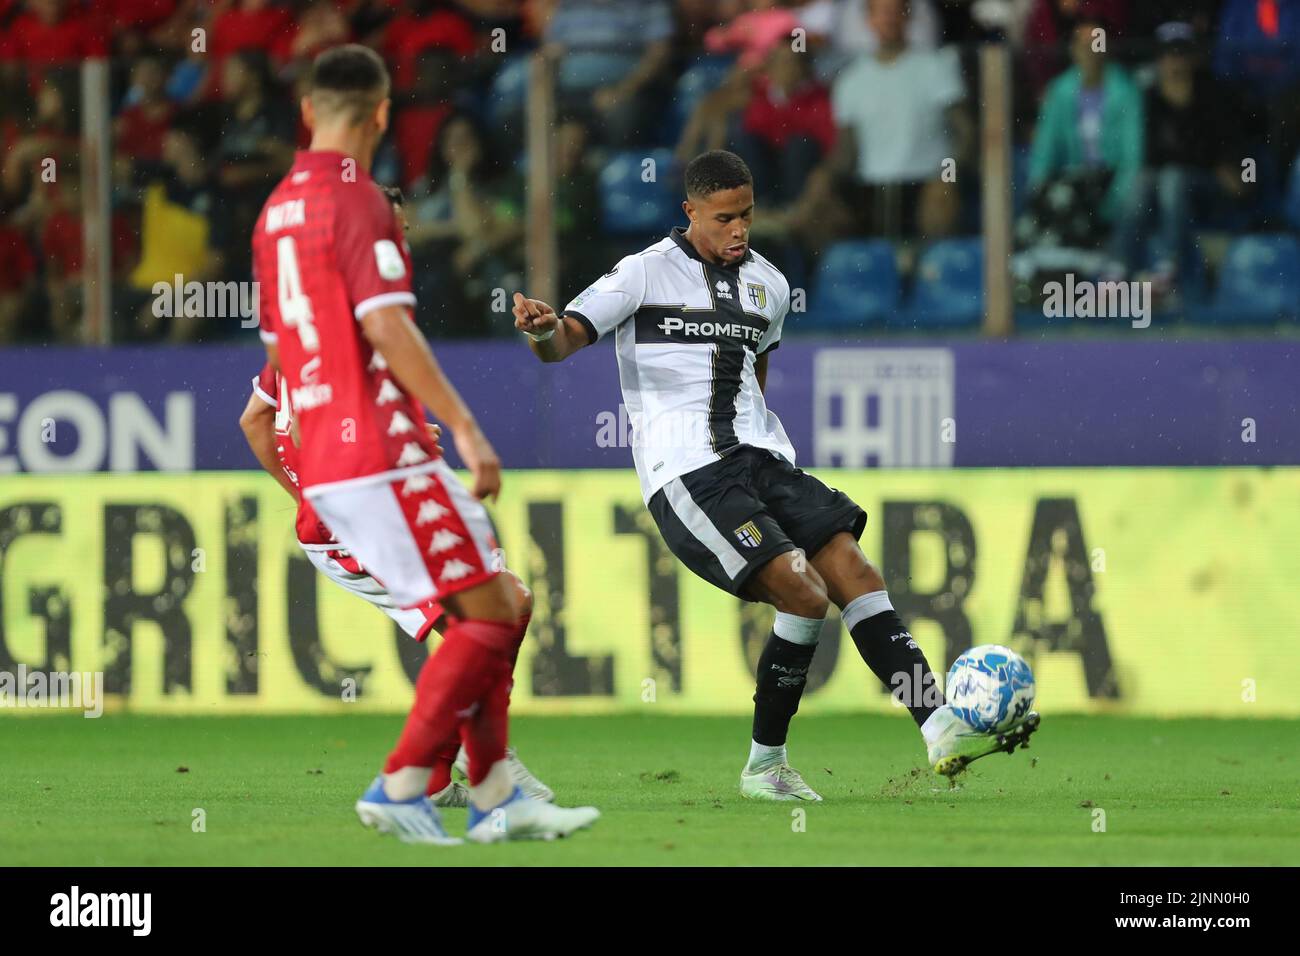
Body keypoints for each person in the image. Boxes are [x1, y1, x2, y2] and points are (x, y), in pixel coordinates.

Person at [511, 149, 1039, 796]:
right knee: (804, 592)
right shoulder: (641, 274)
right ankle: (766, 765)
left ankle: (939, 728)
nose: (739, 230)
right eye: (725, 218)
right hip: (688, 473)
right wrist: (540, 331)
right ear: (691, 212)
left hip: (762, 459)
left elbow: (754, 386)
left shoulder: (771, 285)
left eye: (748, 216)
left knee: (855, 572)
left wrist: (766, 451)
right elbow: (562, 341)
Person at [252, 44, 597, 843]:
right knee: (497, 607)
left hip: (331, 467)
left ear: (306, 114)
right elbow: (385, 326)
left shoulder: (276, 215)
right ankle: (408, 780)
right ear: (380, 115)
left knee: (494, 604)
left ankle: (493, 794)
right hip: (380, 447)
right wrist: (468, 428)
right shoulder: (363, 202)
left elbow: (282, 356)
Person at [239, 187, 554, 809]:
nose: (404, 243)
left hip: (365, 509)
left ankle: (439, 777)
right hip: (355, 522)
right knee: (496, 610)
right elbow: (313, 426)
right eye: (396, 230)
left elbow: (257, 419)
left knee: (508, 603)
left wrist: (313, 487)